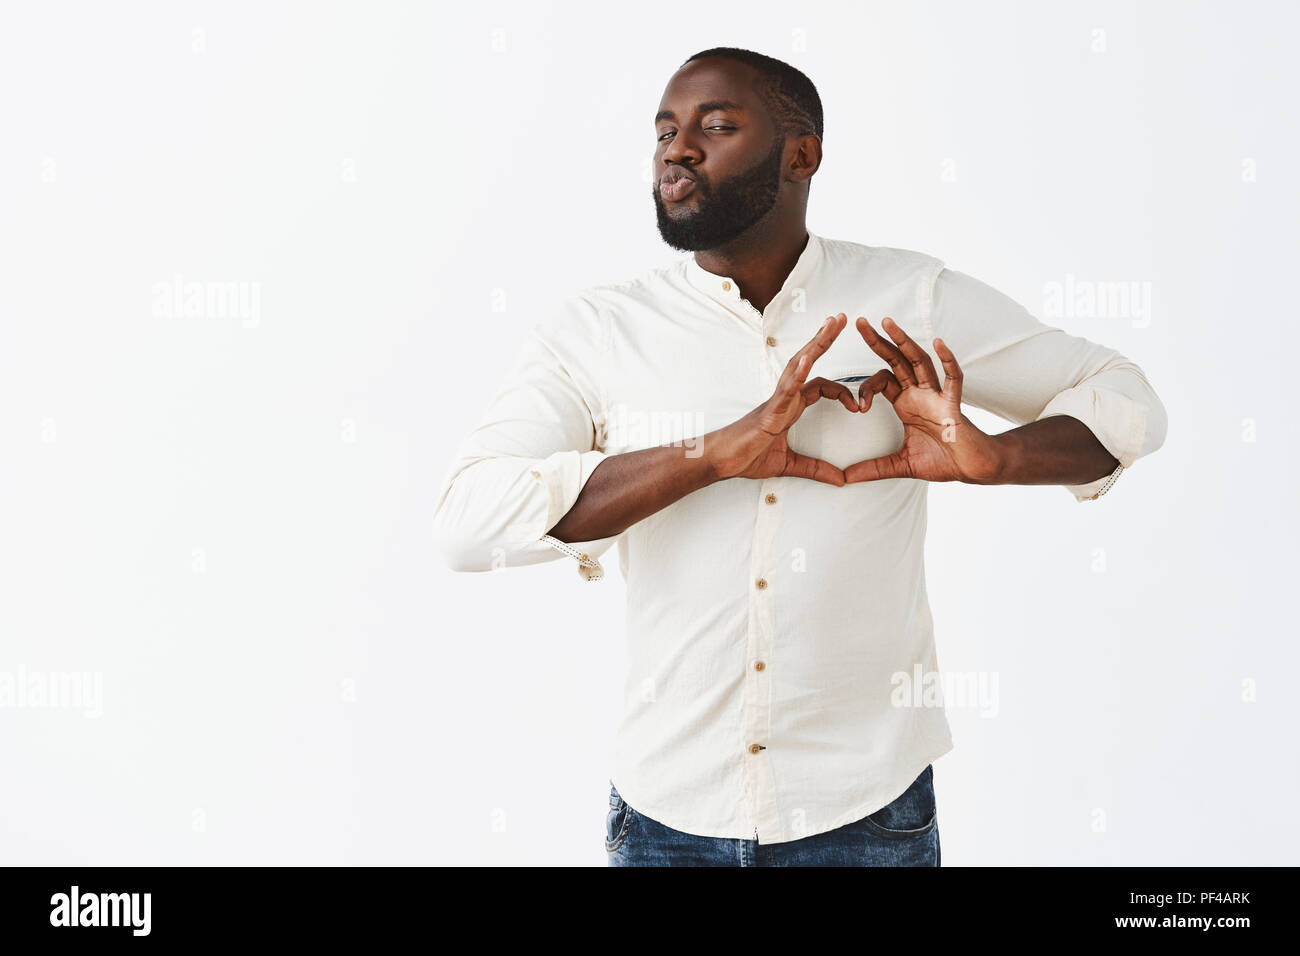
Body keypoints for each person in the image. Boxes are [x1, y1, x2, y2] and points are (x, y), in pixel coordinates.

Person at [432, 47, 1167, 866]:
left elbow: (1125, 397)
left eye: (715, 126)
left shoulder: (910, 300)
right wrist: (709, 454)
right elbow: (467, 525)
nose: (678, 149)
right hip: (666, 818)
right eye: (665, 130)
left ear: (801, 156)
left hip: (867, 812)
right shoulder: (599, 333)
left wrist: (991, 457)